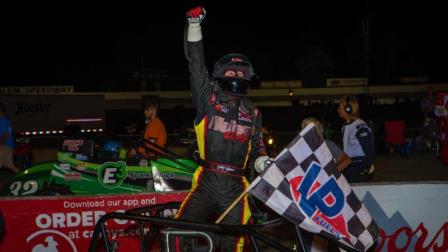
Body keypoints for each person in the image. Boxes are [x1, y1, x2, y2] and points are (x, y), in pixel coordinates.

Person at [175, 6, 271, 251]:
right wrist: (194, 24)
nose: (236, 73)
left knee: (233, 244)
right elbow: (196, 66)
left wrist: (264, 163)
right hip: (207, 180)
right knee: (179, 232)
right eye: (232, 70)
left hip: (237, 186)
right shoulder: (208, 100)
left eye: (240, 71)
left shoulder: (254, 112)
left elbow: (258, 148)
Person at [337, 96, 375, 182]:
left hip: (358, 168)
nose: (338, 110)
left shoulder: (360, 127)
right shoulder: (345, 126)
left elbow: (369, 152)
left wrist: (365, 170)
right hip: (349, 167)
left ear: (348, 109)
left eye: (340, 107)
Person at [0, 103, 19, 174]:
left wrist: (0, 143)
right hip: (8, 146)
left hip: (3, 147)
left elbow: (5, 135)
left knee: (10, 165)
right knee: (10, 165)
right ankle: (23, 177)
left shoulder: (2, 121)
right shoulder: (6, 120)